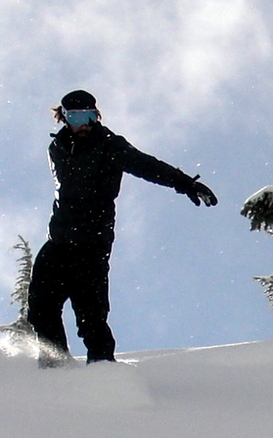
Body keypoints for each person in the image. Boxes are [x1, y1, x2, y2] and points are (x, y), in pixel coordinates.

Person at [27, 90, 217, 368]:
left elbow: (147, 166)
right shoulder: (57, 148)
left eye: (90, 116)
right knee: (41, 309)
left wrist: (186, 183)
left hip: (91, 245)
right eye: (77, 117)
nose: (85, 124)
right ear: (63, 118)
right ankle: (55, 368)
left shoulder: (109, 145)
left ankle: (104, 371)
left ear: (97, 115)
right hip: (58, 242)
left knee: (90, 316)